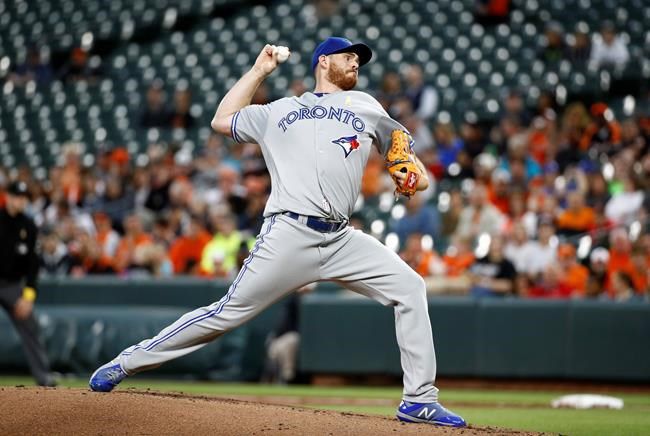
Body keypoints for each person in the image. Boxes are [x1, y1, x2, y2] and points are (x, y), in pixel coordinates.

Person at [89, 36, 466, 428]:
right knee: (225, 315)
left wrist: (413, 178)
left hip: (341, 238)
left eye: (359, 59)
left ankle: (419, 399)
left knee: (410, 287)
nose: (356, 63)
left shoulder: (368, 106)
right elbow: (221, 120)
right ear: (323, 62)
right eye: (348, 56)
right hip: (288, 233)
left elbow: (410, 169)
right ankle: (126, 362)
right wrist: (259, 72)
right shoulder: (279, 111)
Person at [0, 182, 56, 386]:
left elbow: (33, 265)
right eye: (17, 196)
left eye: (24, 197)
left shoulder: (28, 225)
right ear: (8, 196)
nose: (21, 200)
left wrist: (28, 295)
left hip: (12, 285)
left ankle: (44, 380)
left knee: (31, 326)